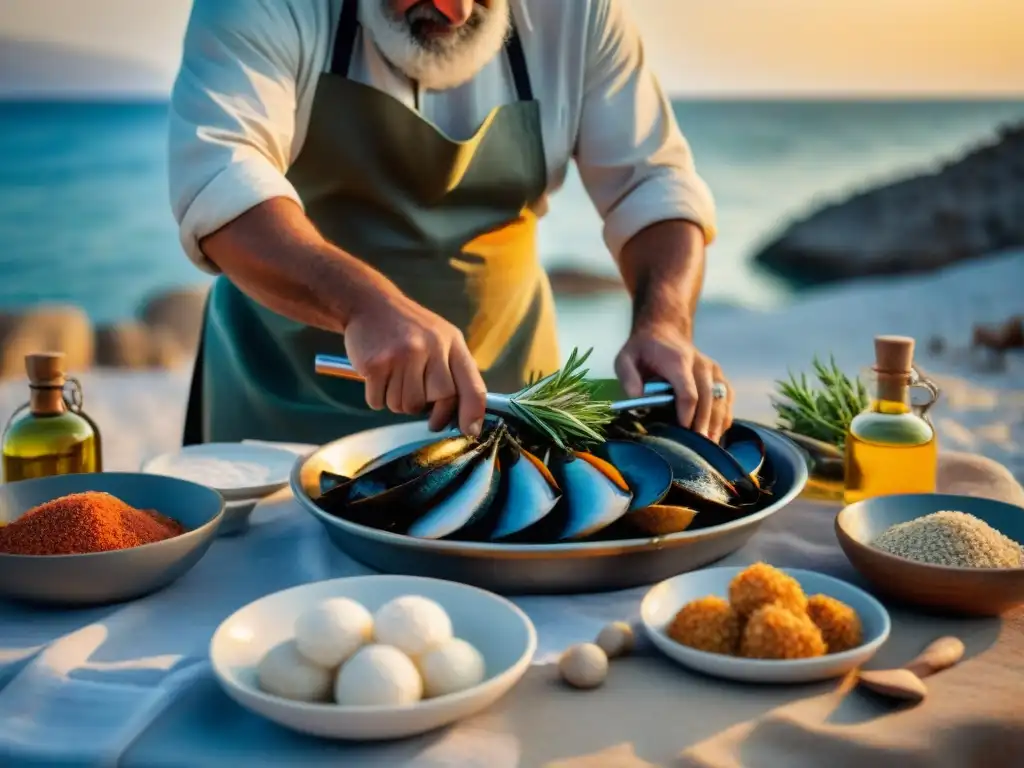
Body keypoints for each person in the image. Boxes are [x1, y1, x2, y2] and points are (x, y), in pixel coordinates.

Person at [169, 0, 734, 448]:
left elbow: (651, 184)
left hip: (509, 406)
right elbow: (221, 173)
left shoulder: (580, 11)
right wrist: (365, 306)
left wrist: (664, 324)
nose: (456, 10)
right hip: (283, 407)